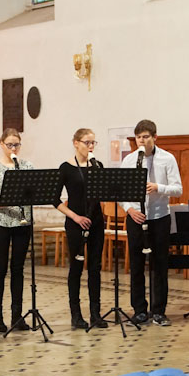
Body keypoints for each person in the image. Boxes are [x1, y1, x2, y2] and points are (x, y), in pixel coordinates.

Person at [120, 119, 183, 327]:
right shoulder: (129, 160)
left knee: (159, 265)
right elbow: (121, 192)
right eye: (138, 137)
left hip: (159, 217)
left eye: (146, 137)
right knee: (136, 265)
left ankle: (159, 311)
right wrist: (130, 209)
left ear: (155, 137)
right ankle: (139, 311)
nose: (142, 141)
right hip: (136, 217)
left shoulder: (167, 158)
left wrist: (158, 187)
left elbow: (178, 189)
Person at [53, 128, 108, 329]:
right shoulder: (66, 168)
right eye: (87, 142)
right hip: (75, 222)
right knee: (76, 267)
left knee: (95, 267)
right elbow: (54, 199)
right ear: (76, 143)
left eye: (93, 142)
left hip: (96, 222)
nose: (91, 146)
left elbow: (103, 191)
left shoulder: (97, 166)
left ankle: (95, 313)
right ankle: (76, 315)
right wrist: (75, 217)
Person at [0, 128, 32, 333]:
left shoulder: (27, 166)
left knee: (18, 269)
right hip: (1, 222)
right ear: (1, 144)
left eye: (17, 145)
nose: (13, 148)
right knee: (0, 268)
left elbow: (33, 192)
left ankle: (17, 315)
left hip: (22, 223)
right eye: (10, 145)